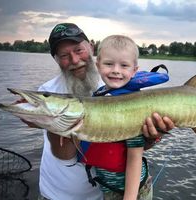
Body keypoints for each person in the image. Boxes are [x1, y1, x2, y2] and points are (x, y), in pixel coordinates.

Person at [36, 23, 174, 200]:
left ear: (91, 47)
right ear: (56, 59)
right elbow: (64, 154)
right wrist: (51, 122)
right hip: (53, 194)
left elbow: (136, 149)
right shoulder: (47, 91)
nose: (75, 60)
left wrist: (152, 136)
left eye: (79, 50)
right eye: (64, 55)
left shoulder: (118, 85)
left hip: (104, 195)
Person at [86, 34, 153, 200]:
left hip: (134, 192)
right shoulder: (99, 97)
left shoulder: (132, 107)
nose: (116, 70)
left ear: (134, 70)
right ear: (98, 65)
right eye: (109, 64)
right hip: (109, 188)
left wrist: (129, 198)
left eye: (124, 65)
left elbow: (135, 158)